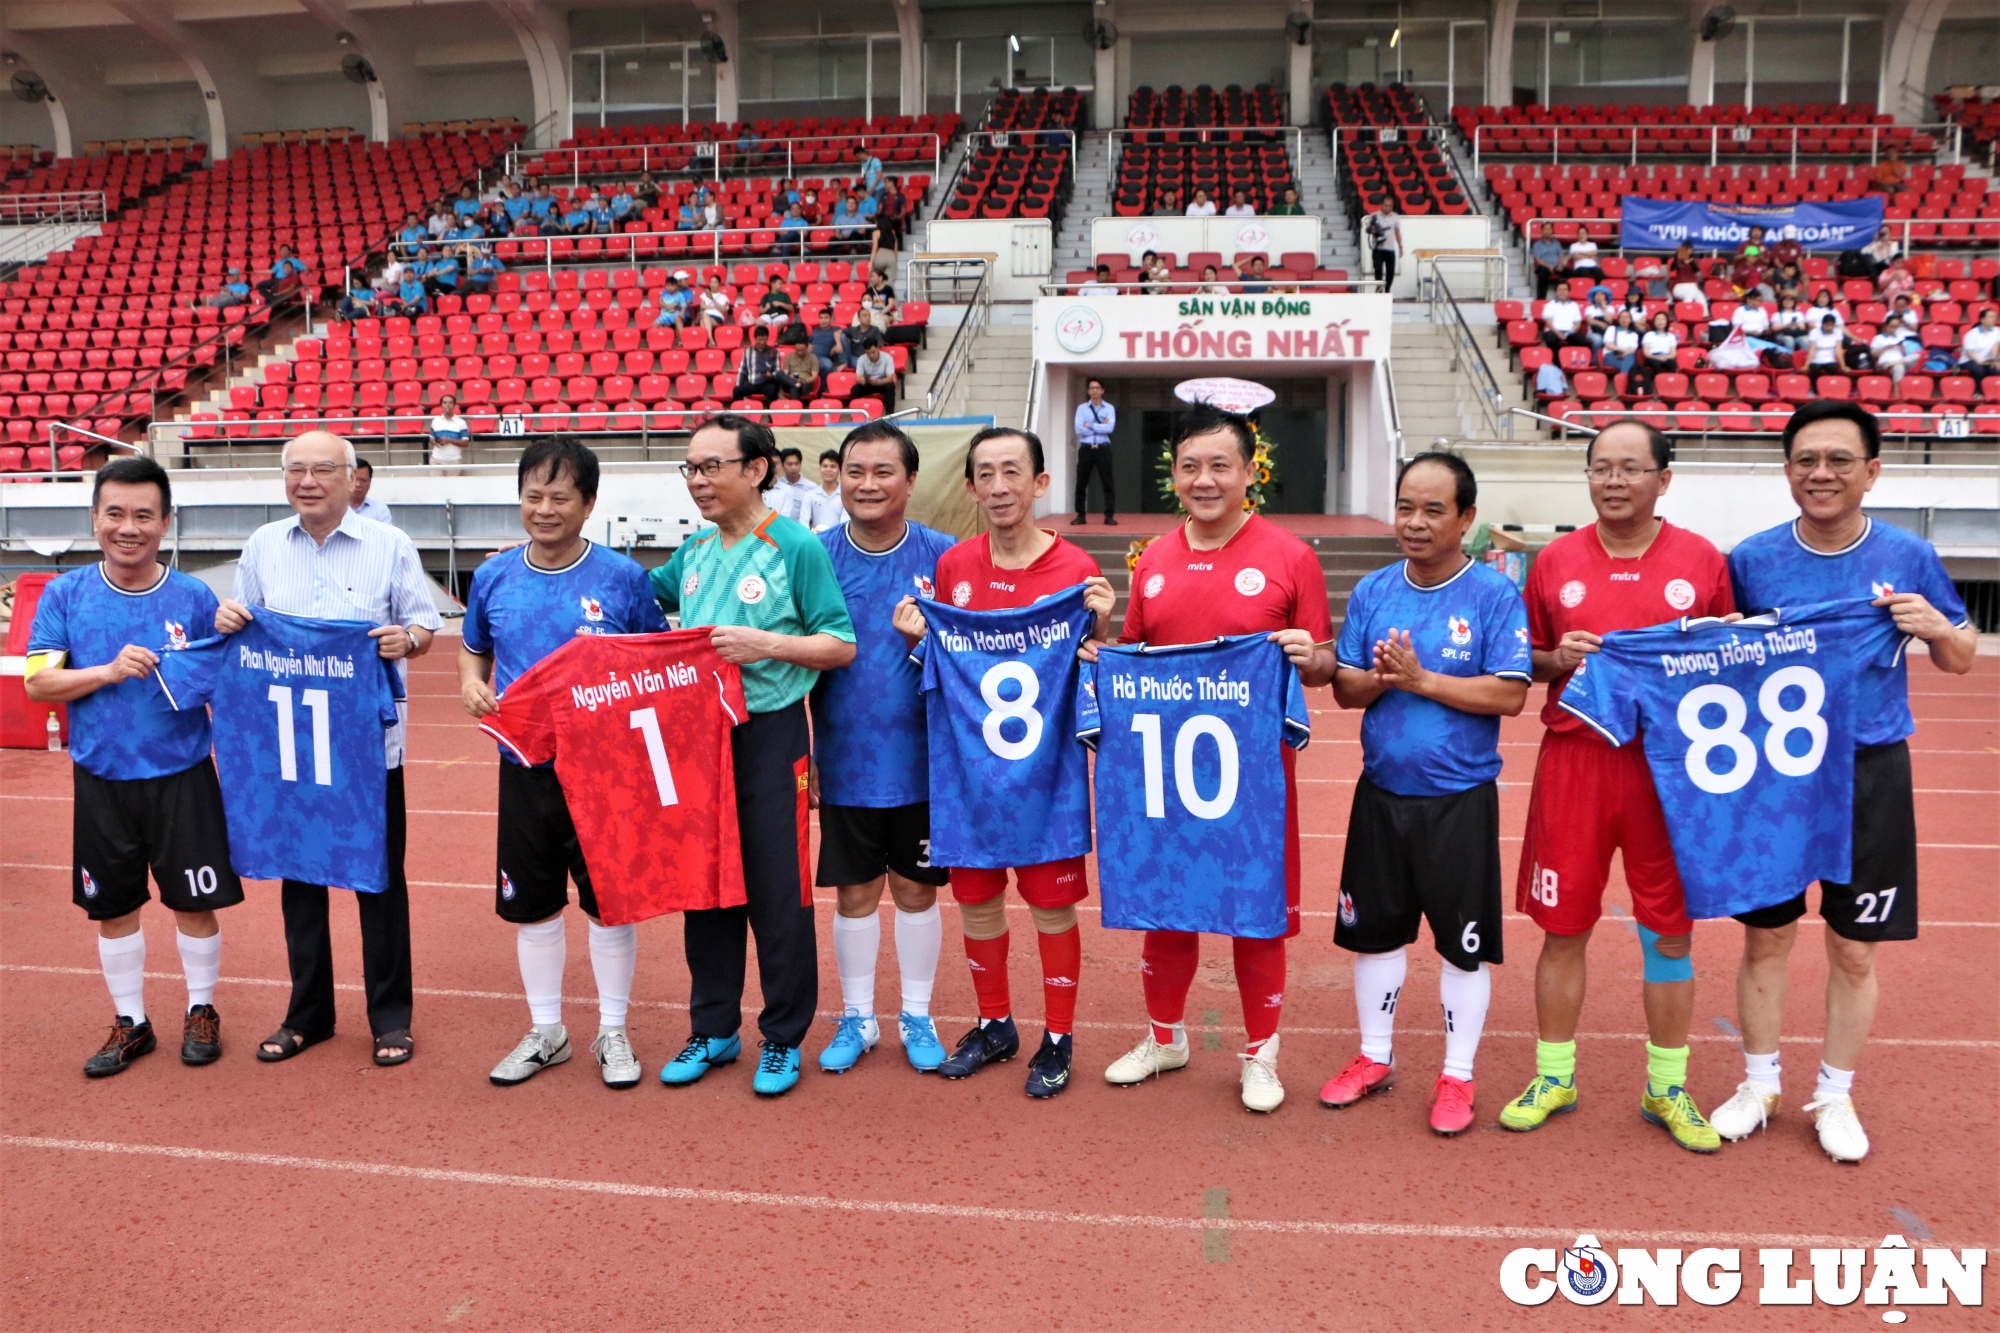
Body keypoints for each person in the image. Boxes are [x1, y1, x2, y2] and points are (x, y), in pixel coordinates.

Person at [1713, 399, 1975, 1162]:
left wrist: (1937, 625)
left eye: (1837, 460)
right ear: (1787, 469)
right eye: (1805, 460)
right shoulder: (1753, 559)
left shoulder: (1909, 554)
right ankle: (1758, 1082)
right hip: (1777, 772)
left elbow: (1959, 656)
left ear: (1872, 471)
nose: (1820, 473)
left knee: (1856, 948)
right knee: (1766, 936)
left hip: (1870, 769)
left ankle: (1834, 1091)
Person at [1496, 420, 1733, 1151]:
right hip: (1577, 762)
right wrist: (1555, 655)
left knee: (1669, 930)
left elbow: (1732, 659)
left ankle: (1667, 1087)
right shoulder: (1554, 562)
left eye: (1632, 468)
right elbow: (1522, 663)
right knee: (1563, 928)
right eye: (1602, 467)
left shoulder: (1702, 560)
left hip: (1670, 771)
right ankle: (1555, 1074)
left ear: (1665, 478)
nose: (1615, 480)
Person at [1097, 405, 1338, 1112]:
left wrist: (1307, 654)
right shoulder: (1155, 558)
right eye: (1190, 466)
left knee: (1254, 913)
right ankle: (1164, 1037)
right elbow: (1136, 659)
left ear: (1249, 472)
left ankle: (1262, 1054)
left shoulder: (1291, 555)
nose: (1204, 480)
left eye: (1219, 465)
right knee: (1164, 907)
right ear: (1174, 475)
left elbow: (1325, 663)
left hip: (1255, 778)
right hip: (1164, 772)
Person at [898, 426, 1115, 1096]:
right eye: (985, 474)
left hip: (1047, 776)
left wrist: (1102, 635)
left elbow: (1094, 675)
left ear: (1040, 482)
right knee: (977, 902)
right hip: (968, 775)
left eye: (1011, 472)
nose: (998, 486)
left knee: (1052, 907)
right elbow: (932, 666)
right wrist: (917, 635)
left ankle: (1058, 1034)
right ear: (969, 487)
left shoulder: (1078, 571)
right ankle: (996, 1023)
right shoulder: (955, 568)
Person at [1318, 451, 1529, 1136]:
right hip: (1380, 793)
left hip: (1459, 800)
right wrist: (1384, 677)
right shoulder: (1376, 589)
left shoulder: (1494, 595)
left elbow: (1511, 692)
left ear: (1466, 518)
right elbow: (1346, 688)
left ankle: (1457, 1075)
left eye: (1433, 509)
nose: (1415, 521)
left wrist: (1420, 679)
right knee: (1374, 934)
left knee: (1461, 945)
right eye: (1406, 505)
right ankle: (1374, 1056)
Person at [218, 430, 441, 1067]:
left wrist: (409, 640)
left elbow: (425, 623)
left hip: (371, 751)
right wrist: (230, 618)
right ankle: (308, 1014)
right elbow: (247, 625)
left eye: (321, 470)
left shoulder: (389, 544)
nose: (306, 481)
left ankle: (390, 1017)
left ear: (352, 479)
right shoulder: (263, 544)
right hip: (293, 749)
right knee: (301, 881)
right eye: (295, 470)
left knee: (380, 882)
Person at [650, 415, 858, 1096]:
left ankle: (783, 1035)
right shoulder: (696, 550)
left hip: (771, 733)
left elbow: (839, 642)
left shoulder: (796, 546)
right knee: (703, 883)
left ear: (757, 468)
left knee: (777, 886)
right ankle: (713, 1027)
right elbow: (639, 599)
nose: (699, 481)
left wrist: (766, 643)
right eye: (690, 468)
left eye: (712, 466)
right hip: (698, 740)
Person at [458, 437, 669, 1090]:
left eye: (559, 496)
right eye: (532, 496)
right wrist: (471, 683)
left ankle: (613, 1029)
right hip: (523, 763)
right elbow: (473, 649)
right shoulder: (493, 575)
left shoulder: (624, 580)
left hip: (605, 771)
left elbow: (658, 663)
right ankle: (546, 1030)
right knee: (535, 906)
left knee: (610, 906)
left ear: (589, 503)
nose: (544, 509)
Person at [23, 456, 244, 1077]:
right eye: (115, 513)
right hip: (102, 778)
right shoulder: (66, 595)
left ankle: (202, 1009)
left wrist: (237, 626)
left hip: (182, 775)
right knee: (114, 907)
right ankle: (132, 1021)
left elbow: (223, 676)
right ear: (95, 520)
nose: (129, 527)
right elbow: (40, 686)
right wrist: (107, 671)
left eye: (144, 515)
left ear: (165, 523)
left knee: (194, 902)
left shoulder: (195, 596)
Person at [810, 422, 957, 1073]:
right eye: (854, 471)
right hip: (845, 759)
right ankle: (857, 1016)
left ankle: (918, 1014)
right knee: (855, 893)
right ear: (836, 477)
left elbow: (976, 657)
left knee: (919, 890)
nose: (867, 484)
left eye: (882, 471)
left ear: (911, 480)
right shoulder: (813, 556)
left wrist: (921, 644)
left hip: (927, 763)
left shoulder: (944, 557)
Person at [1072, 376, 1116, 526]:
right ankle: (1080, 515)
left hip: (1103, 448)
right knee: (1081, 482)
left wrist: (1089, 425)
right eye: (1092, 388)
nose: (1094, 391)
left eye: (1097, 388)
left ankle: (1109, 516)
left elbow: (1109, 428)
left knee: (1107, 483)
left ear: (1102, 390)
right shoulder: (1081, 408)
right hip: (1086, 448)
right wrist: (1099, 425)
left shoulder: (1109, 408)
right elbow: (1079, 429)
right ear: (1088, 391)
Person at [1630, 311, 1678, 398]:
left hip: (1666, 356)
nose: (1660, 321)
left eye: (1663, 319)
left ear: (1667, 322)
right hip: (1652, 357)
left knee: (1672, 364)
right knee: (1656, 365)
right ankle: (1658, 390)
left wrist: (1665, 357)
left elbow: (1673, 353)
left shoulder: (1671, 336)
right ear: (1654, 322)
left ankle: (1671, 389)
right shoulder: (1649, 335)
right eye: (1657, 319)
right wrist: (1657, 357)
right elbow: (1646, 353)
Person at [770, 446, 818, 522]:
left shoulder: (811, 487)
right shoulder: (776, 485)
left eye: (796, 464)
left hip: (801, 528)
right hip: (780, 525)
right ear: (782, 465)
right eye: (789, 464)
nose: (793, 467)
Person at [735, 326, 783, 402]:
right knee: (737, 390)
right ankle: (739, 412)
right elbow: (742, 371)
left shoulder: (774, 352)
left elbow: (778, 372)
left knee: (772, 389)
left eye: (764, 339)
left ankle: (770, 413)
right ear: (755, 338)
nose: (762, 342)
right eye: (760, 340)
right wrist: (738, 385)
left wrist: (770, 375)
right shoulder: (747, 352)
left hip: (766, 383)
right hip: (752, 383)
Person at [805, 449, 846, 531]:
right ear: (819, 469)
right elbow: (804, 522)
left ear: (840, 470)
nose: (828, 469)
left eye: (833, 466)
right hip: (815, 540)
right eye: (825, 466)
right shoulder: (810, 495)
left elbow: (844, 523)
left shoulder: (845, 495)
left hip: (838, 540)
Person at [1364, 201, 1401, 290]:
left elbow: (1397, 232)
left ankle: (1387, 289)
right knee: (1378, 270)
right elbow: (1367, 230)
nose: (1388, 208)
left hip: (1390, 249)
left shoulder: (1395, 217)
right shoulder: (1374, 216)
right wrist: (1372, 228)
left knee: (1391, 271)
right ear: (1382, 205)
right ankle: (1379, 287)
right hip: (1378, 248)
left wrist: (1400, 246)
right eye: (1386, 205)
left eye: (1390, 206)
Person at [1959, 307, 2000, 385]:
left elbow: (1997, 346)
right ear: (1983, 319)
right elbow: (1970, 353)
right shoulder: (1972, 334)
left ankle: (1993, 390)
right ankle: (1980, 391)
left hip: (1987, 359)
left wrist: (1995, 360)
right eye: (1991, 317)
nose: (1994, 319)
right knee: (1980, 370)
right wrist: (1980, 362)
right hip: (1970, 360)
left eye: (1995, 316)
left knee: (1995, 369)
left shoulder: (1997, 331)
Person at [1804, 314, 1850, 383]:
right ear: (1823, 324)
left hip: (1830, 358)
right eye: (1827, 325)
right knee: (1815, 370)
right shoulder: (1814, 332)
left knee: (1833, 369)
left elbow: (1838, 350)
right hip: (1817, 358)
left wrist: (1843, 365)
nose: (1829, 327)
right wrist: (1806, 365)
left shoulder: (1838, 332)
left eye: (1832, 325)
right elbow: (1813, 349)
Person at [851, 342, 897, 411]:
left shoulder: (887, 358)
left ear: (878, 348)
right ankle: (855, 414)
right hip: (869, 383)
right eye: (868, 353)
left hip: (883, 382)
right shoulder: (861, 359)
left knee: (889, 387)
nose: (871, 355)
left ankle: (890, 414)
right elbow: (858, 377)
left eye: (873, 352)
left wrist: (878, 382)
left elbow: (890, 378)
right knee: (855, 389)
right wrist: (861, 380)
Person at [428, 394, 469, 469]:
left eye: (450, 403)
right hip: (436, 460)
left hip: (453, 461)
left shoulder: (461, 422)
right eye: (445, 403)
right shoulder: (435, 421)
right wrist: (434, 441)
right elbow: (431, 438)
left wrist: (449, 440)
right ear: (441, 405)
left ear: (454, 405)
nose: (448, 405)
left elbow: (465, 443)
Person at [777, 335, 822, 401]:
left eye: (802, 350)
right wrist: (793, 380)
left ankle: (795, 409)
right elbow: (785, 374)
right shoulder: (789, 357)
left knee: (794, 388)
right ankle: (794, 383)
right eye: (797, 350)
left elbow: (814, 378)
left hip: (805, 383)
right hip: (791, 381)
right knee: (779, 373)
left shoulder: (813, 358)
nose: (799, 352)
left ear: (807, 348)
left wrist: (802, 381)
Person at [1601, 310, 1641, 382]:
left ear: (1631, 320)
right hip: (1611, 355)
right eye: (1622, 317)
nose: (1624, 319)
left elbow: (1633, 349)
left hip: (1626, 356)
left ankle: (1622, 380)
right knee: (1631, 364)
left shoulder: (1633, 334)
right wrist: (1623, 350)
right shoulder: (1612, 329)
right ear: (1619, 320)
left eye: (1626, 317)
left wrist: (1624, 353)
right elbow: (1608, 345)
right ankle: (1627, 382)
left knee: (1630, 357)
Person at [1530, 227, 1567, 302]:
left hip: (1557, 266)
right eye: (1546, 229)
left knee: (1570, 272)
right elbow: (1538, 259)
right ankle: (1540, 300)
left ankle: (1569, 298)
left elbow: (1561, 255)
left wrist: (1560, 264)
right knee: (1542, 274)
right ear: (1542, 231)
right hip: (1544, 266)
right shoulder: (1537, 244)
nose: (1548, 231)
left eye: (1550, 229)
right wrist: (1548, 266)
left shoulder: (1557, 243)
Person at [349, 457, 391, 524]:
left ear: (370, 482)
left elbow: (387, 534)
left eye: (363, 480)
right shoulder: (333, 508)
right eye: (354, 479)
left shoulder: (380, 510)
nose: (358, 484)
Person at [1667, 242, 1706, 313]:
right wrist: (1677, 257)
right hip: (1679, 287)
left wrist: (1691, 262)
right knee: (1690, 293)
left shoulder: (1695, 261)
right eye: (1685, 250)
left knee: (1701, 298)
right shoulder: (1678, 261)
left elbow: (1699, 274)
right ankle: (1685, 313)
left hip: (1692, 287)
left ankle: (1704, 316)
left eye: (1689, 250)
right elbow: (1672, 269)